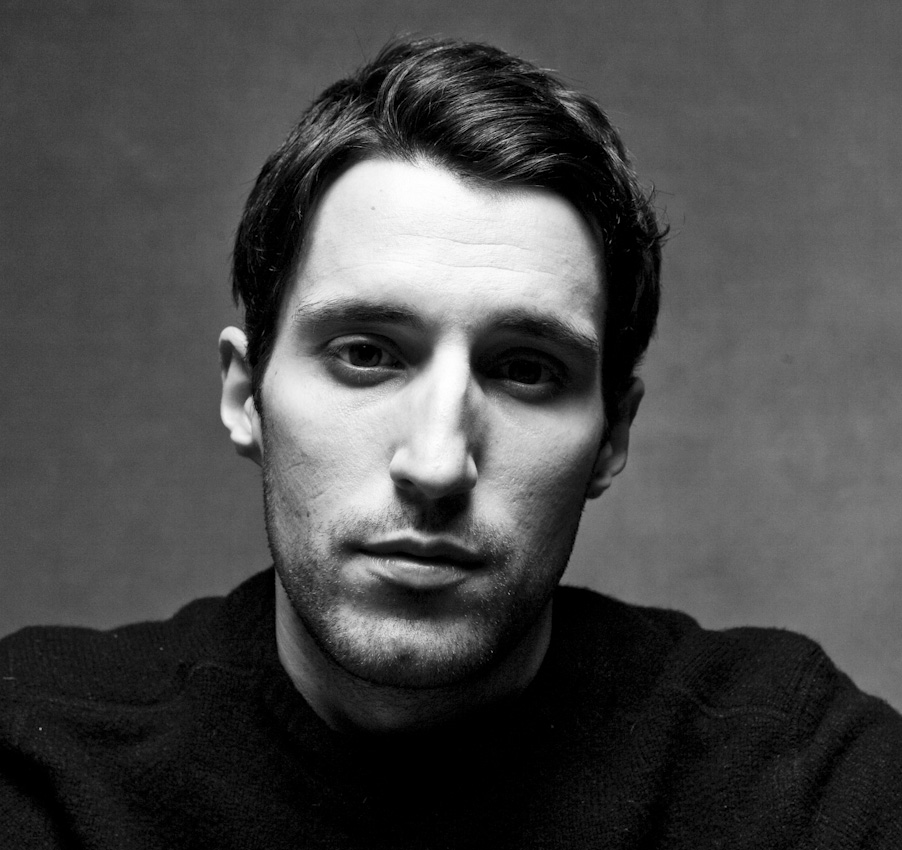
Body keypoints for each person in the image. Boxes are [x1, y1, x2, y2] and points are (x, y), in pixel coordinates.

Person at [2, 35, 900, 849]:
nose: (436, 466)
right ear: (246, 396)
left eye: (525, 370)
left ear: (613, 436)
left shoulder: (802, 782)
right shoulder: (41, 766)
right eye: (365, 354)